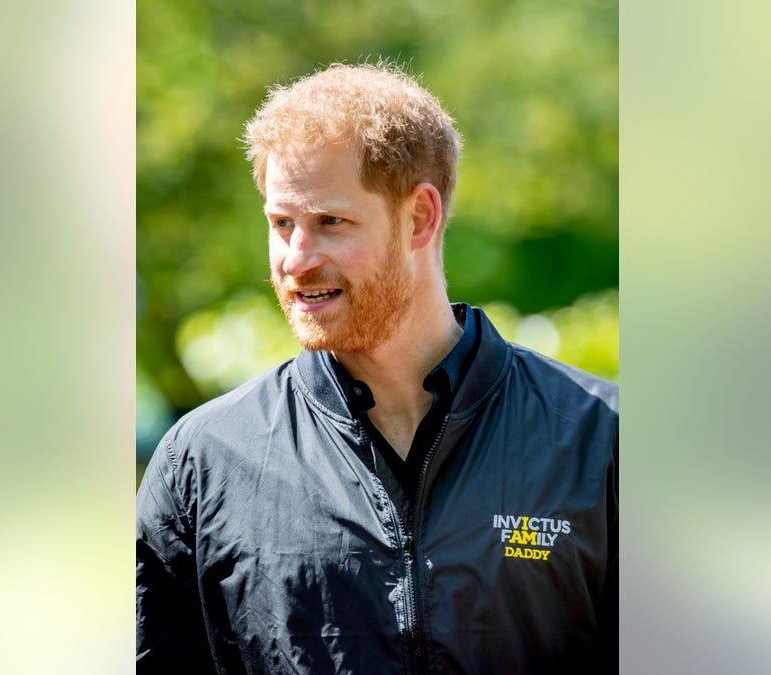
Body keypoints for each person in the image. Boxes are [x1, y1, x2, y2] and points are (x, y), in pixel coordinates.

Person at [136, 62, 618, 674]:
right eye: (281, 224)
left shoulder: (603, 442)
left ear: (420, 217)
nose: (296, 260)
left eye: (329, 223)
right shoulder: (202, 464)